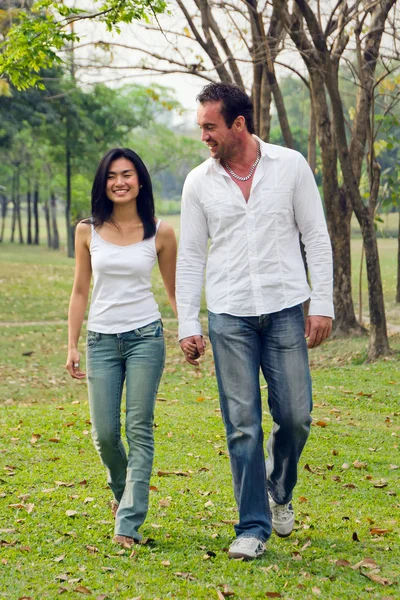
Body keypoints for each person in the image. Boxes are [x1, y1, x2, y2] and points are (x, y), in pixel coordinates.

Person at [176, 83, 333, 560]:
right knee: (241, 423)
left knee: (295, 417)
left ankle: (279, 489)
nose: (203, 135)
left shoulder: (290, 167)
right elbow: (190, 256)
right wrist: (188, 321)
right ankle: (252, 526)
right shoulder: (198, 182)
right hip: (229, 316)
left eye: (210, 126)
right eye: (200, 125)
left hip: (286, 308)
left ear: (238, 125)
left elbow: (316, 236)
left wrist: (321, 302)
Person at [66, 147, 177, 549]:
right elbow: (80, 289)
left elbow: (172, 289)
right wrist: (72, 344)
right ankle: (123, 493)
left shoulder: (160, 232)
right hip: (100, 340)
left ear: (140, 181)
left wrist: (189, 332)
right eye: (112, 175)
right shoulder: (87, 230)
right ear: (104, 183)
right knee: (106, 435)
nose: (120, 182)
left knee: (139, 428)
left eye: (127, 174)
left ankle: (127, 522)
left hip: (146, 336)